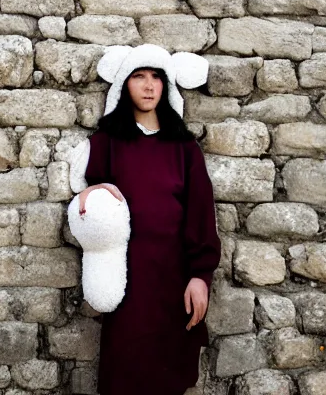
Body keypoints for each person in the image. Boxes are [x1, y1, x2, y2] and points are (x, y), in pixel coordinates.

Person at [76, 45, 221, 395]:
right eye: (139, 76)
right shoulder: (107, 142)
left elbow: (201, 214)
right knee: (124, 373)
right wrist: (88, 196)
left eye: (156, 77)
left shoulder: (184, 148)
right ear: (124, 84)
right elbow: (93, 198)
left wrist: (200, 276)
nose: (148, 85)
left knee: (170, 376)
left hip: (173, 279)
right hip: (127, 280)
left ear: (167, 85)